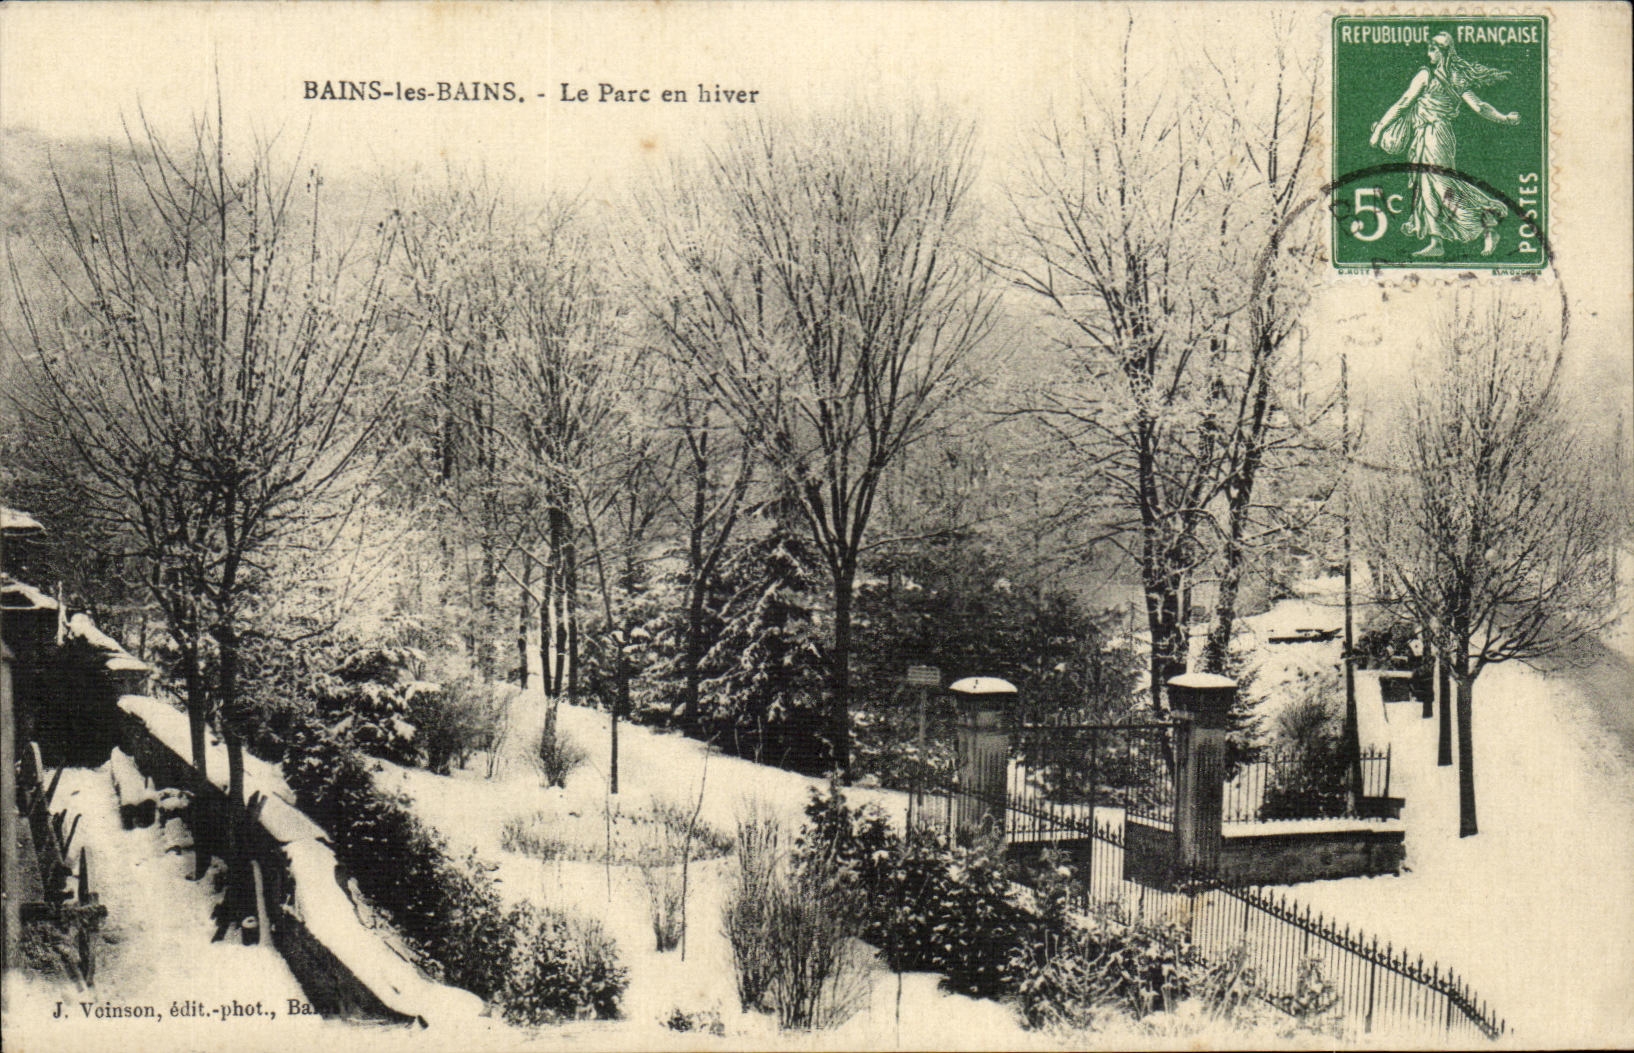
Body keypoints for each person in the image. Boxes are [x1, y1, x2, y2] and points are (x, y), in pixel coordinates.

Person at [1369, 32, 1521, 257]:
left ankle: (1487, 224)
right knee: (1426, 187)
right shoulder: (1455, 76)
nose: (1428, 54)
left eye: (1432, 49)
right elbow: (1480, 106)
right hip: (1425, 135)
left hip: (1436, 135)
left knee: (1442, 186)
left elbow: (1403, 104)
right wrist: (1504, 118)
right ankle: (1436, 241)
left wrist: (1380, 129)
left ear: (1442, 52)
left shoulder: (1427, 75)